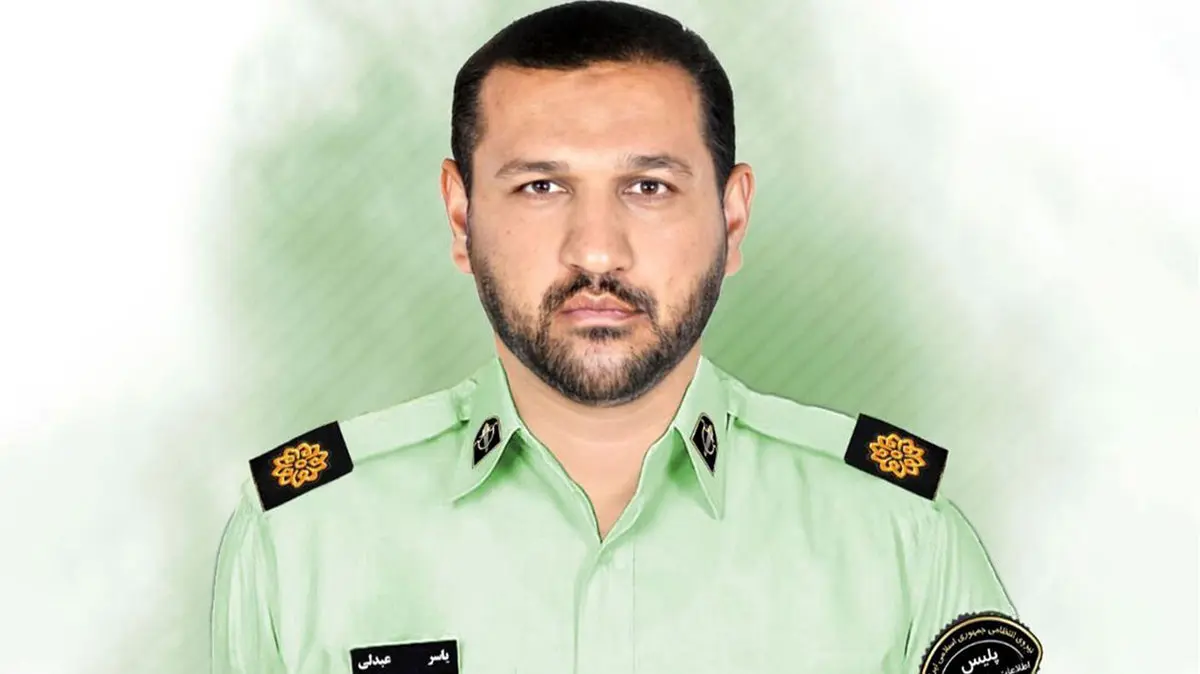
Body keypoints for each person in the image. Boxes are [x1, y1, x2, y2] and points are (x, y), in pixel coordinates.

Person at [210, 2, 1042, 673]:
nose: (597, 251)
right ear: (461, 217)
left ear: (732, 216)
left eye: (648, 186)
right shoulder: (301, 541)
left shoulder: (900, 537)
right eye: (542, 186)